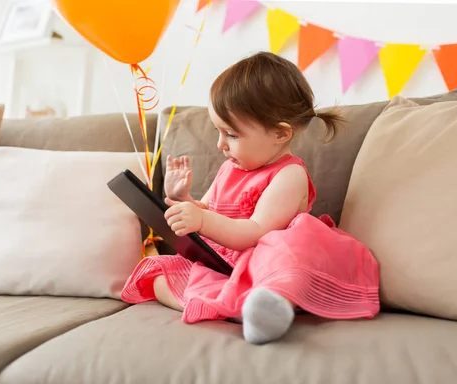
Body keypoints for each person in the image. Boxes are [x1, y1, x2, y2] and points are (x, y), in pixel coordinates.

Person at [120, 51, 380, 344]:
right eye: (218, 132)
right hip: (223, 265)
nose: (220, 144)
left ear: (280, 134)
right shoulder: (230, 168)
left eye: (231, 134)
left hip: (262, 264)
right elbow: (208, 210)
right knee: (156, 277)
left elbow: (254, 232)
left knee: (285, 256)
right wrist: (183, 199)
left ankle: (265, 308)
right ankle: (232, 307)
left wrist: (202, 219)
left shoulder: (289, 176)